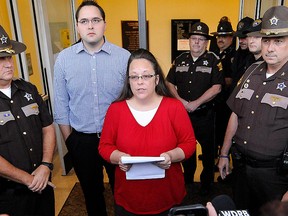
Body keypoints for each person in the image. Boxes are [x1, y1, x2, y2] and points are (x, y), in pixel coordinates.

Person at [53, 1, 130, 215]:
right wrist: (71, 141)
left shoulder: (124, 58)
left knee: (123, 193)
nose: (90, 26)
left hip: (118, 140)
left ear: (105, 24)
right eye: (84, 21)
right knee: (92, 194)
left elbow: (132, 101)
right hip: (82, 140)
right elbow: (61, 105)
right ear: (77, 26)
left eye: (96, 20)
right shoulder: (64, 60)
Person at [98, 48, 196, 215]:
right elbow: (105, 146)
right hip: (129, 197)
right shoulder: (116, 110)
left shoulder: (174, 107)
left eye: (146, 76)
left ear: (156, 79)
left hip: (167, 196)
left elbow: (188, 144)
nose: (140, 81)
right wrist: (119, 157)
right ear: (128, 81)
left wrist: (171, 156)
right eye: (134, 77)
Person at [218, 5, 288, 216]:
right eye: (266, 40)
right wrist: (223, 154)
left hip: (276, 176)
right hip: (242, 170)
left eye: (279, 41)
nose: (270, 48)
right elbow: (235, 114)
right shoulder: (251, 70)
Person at [0, 25, 56, 215]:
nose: (9, 63)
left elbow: (47, 127)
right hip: (8, 195)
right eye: (1, 59)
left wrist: (46, 165)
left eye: (9, 57)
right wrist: (28, 179)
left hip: (43, 182)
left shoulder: (28, 90)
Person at [166, 22, 224, 196]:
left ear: (206, 42)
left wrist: (196, 103)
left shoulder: (214, 60)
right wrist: (181, 102)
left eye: (201, 39)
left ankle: (207, 186)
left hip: (205, 115)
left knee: (207, 153)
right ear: (189, 41)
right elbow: (169, 82)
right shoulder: (179, 60)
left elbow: (217, 87)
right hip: (183, 115)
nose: (197, 42)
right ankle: (188, 181)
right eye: (194, 39)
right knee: (186, 150)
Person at [211, 17, 236, 159]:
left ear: (231, 37)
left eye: (224, 36)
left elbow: (233, 80)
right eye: (219, 36)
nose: (220, 39)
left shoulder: (235, 56)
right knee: (215, 129)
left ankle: (223, 156)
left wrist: (216, 81)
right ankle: (214, 153)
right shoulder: (214, 55)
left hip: (227, 100)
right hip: (215, 101)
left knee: (224, 131)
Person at [230, 17, 254, 91]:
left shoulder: (256, 56)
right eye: (239, 37)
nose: (240, 41)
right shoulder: (236, 54)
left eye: (244, 37)